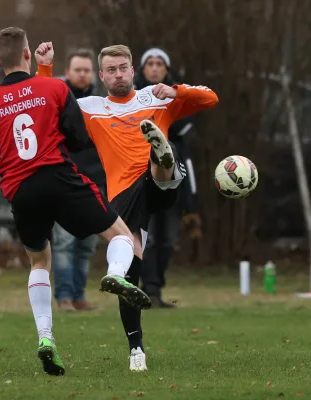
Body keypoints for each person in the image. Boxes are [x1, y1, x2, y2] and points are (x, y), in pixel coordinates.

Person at [37, 44, 218, 371]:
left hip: (159, 185)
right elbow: (45, 110)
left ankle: (161, 153)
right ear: (101, 75)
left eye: (123, 67)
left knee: (163, 163)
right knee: (130, 274)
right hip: (124, 197)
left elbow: (210, 98)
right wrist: (46, 70)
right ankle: (135, 346)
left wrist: (175, 89)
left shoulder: (156, 97)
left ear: (132, 69)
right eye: (111, 69)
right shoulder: (89, 107)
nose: (118, 74)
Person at [0, 28, 151, 377]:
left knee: (39, 261)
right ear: (28, 55)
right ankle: (115, 275)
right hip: (58, 177)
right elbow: (75, 139)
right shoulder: (55, 87)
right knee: (121, 235)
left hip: (20, 189)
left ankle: (46, 339)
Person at [134, 47, 201, 308]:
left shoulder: (177, 99)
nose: (154, 67)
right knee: (146, 238)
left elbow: (182, 138)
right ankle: (148, 290)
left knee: (169, 239)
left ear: (166, 69)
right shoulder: (134, 98)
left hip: (174, 180)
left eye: (159, 63)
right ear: (142, 69)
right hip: (143, 179)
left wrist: (192, 202)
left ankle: (156, 287)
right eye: (149, 63)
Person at [52, 49, 106, 312]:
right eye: (78, 70)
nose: (82, 74)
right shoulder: (56, 99)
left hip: (97, 181)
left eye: (86, 70)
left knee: (86, 245)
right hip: (66, 180)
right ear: (68, 72)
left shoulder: (102, 102)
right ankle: (63, 297)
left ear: (93, 74)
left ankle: (79, 295)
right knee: (63, 243)